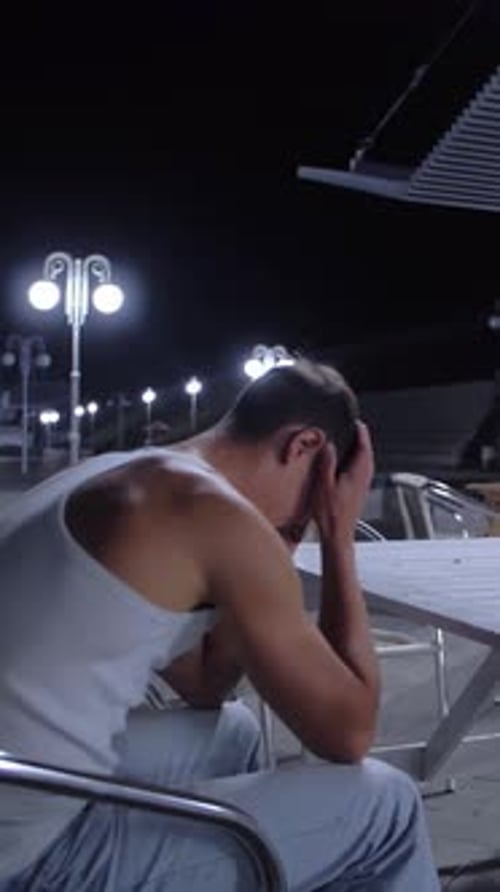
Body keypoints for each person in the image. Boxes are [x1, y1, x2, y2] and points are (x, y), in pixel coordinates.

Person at [0, 359, 440, 891]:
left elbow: (206, 683)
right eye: (317, 493)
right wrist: (337, 536)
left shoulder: (122, 476)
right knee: (387, 806)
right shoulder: (212, 512)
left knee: (234, 731)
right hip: (29, 854)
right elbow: (347, 734)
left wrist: (279, 544)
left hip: (22, 783)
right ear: (303, 446)